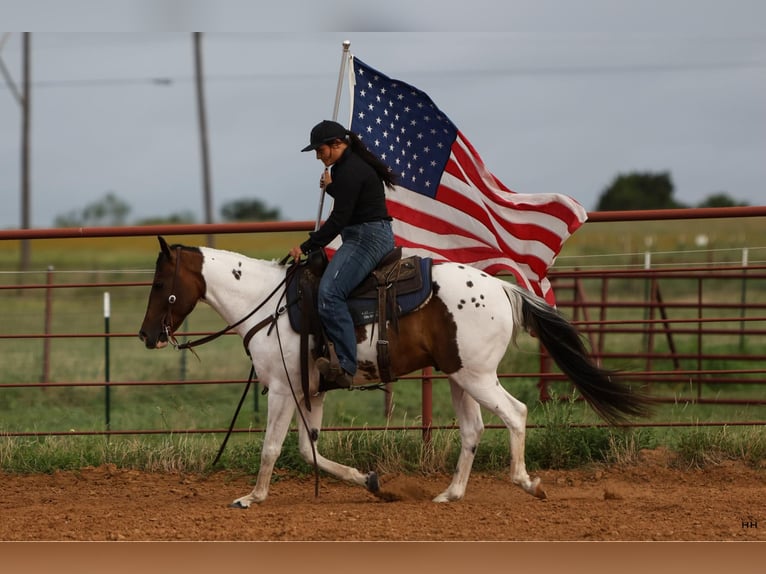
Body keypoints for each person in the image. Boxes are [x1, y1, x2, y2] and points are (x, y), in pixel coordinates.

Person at [289, 119, 396, 390]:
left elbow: (338, 220)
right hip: (366, 234)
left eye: (320, 150)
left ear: (337, 144)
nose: (317, 156)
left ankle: (347, 366)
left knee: (330, 293)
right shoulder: (348, 167)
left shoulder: (349, 171)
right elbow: (350, 199)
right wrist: (331, 185)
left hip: (366, 238)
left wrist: (306, 246)